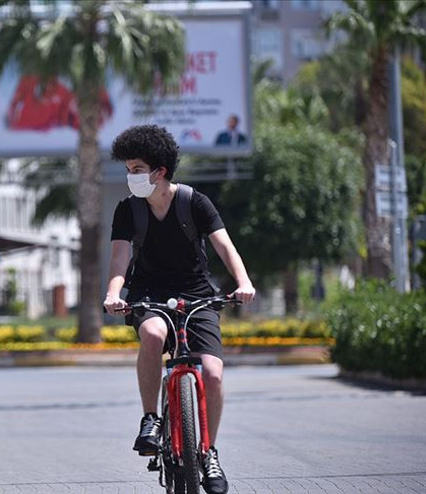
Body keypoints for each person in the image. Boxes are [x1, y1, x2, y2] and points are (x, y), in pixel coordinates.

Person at [103, 125, 255, 494]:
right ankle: (151, 420)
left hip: (197, 294)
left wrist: (244, 283)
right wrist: (113, 295)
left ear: (160, 171)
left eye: (137, 168)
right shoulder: (128, 211)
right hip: (149, 294)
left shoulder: (194, 202)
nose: (131, 175)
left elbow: (225, 247)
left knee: (214, 374)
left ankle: (209, 454)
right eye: (128, 168)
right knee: (153, 334)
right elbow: (119, 262)